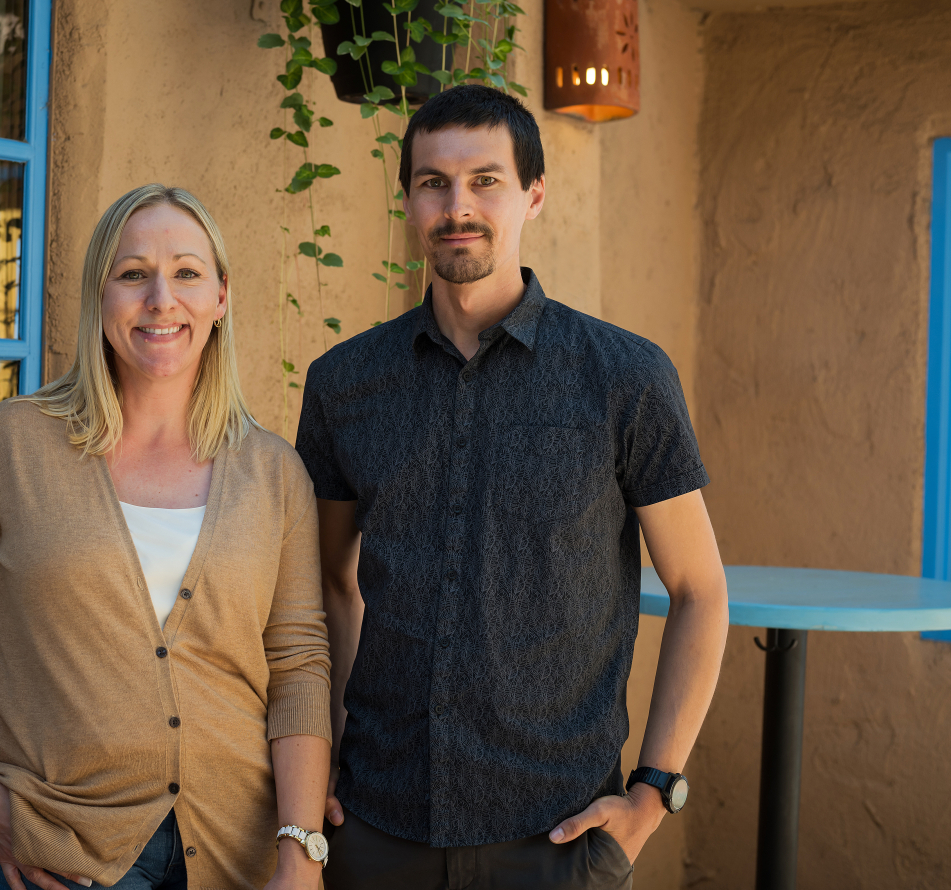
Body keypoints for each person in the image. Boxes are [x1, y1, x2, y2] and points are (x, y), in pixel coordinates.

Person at [295, 85, 730, 889]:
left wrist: (652, 792)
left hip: (559, 840)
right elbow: (331, 581)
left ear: (533, 193)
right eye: (433, 182)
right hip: (375, 829)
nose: (457, 206)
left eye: (485, 180)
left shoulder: (624, 377)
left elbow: (700, 589)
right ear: (409, 200)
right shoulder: (343, 384)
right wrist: (320, 757)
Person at [0, 185, 333, 890]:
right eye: (133, 273)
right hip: (66, 846)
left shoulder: (274, 473)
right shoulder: (10, 445)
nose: (161, 300)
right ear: (99, 295)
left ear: (222, 296)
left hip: (239, 847)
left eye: (187, 272)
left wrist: (300, 850)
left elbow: (297, 664)